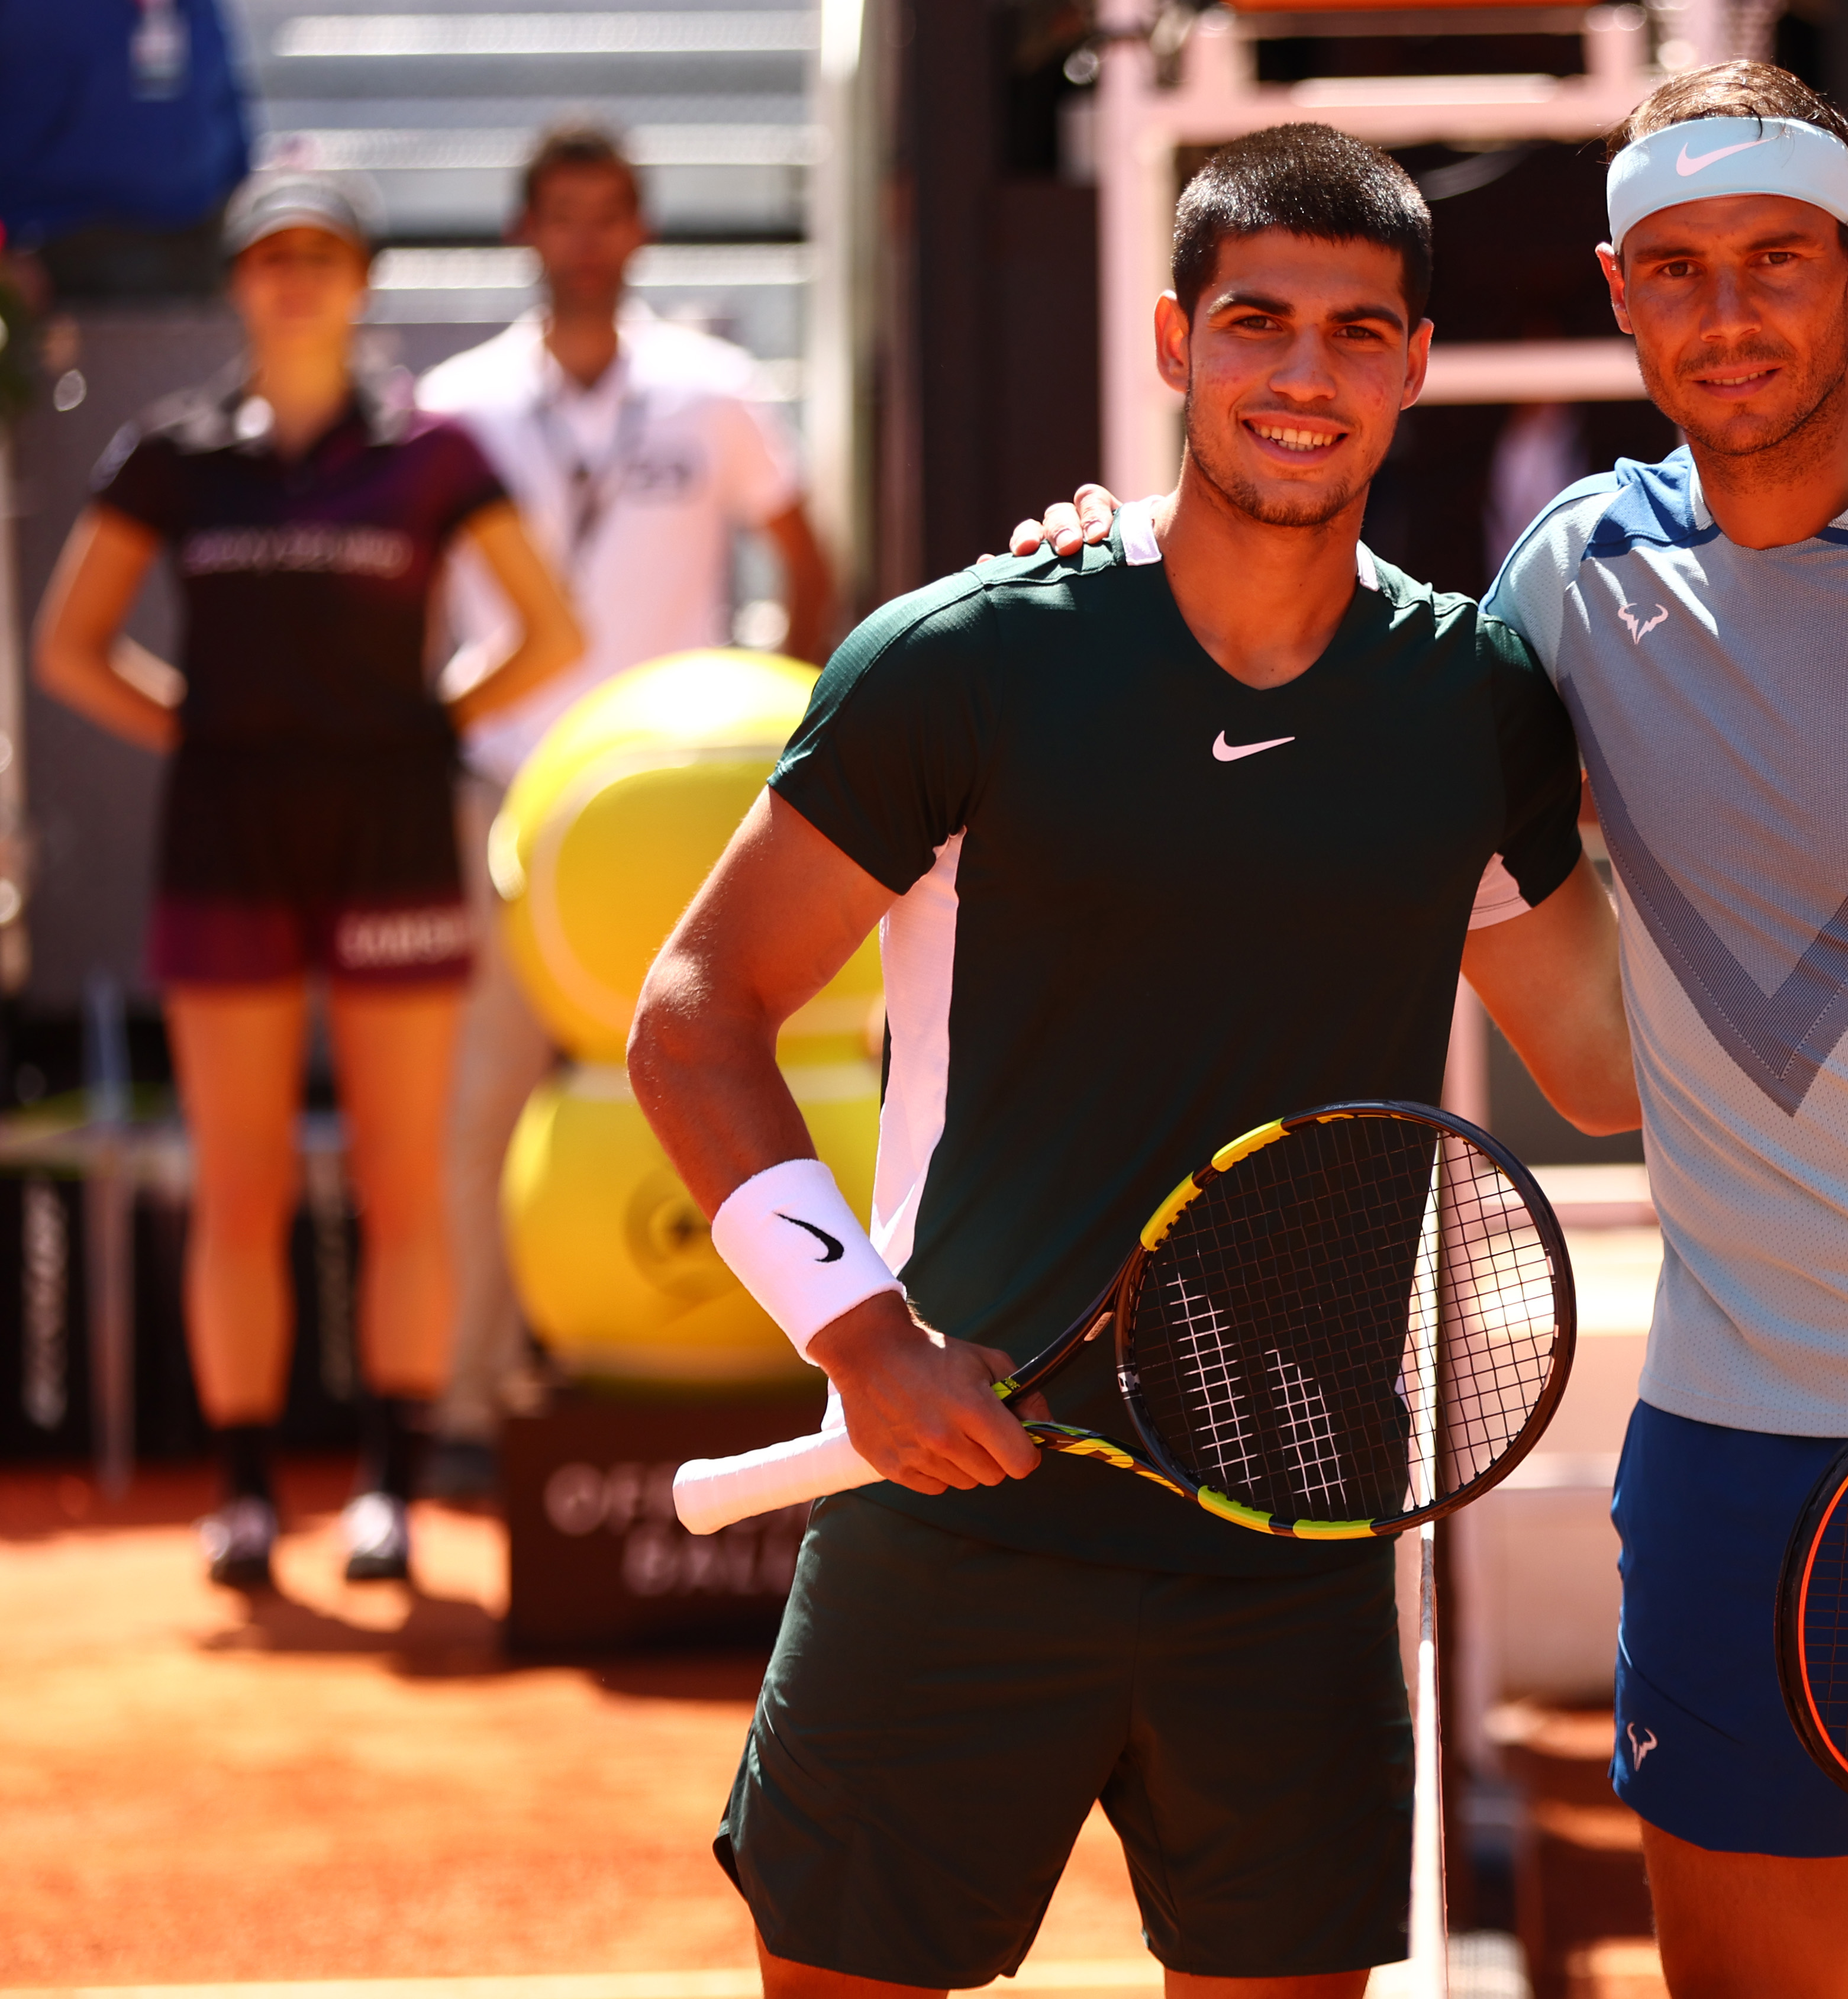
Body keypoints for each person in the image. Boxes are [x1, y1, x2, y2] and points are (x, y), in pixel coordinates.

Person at [1017, 61, 1848, 1999]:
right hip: (1741, 1444)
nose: (1726, 315)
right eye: (1674, 270)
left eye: (1772, 262)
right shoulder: (1569, 578)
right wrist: (1121, 566)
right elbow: (1351, 695)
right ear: (1614, 290)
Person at [627, 125, 1634, 1998]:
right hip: (952, 1534)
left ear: (1416, 364)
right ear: (1175, 343)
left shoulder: (1471, 706)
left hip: (1300, 1538)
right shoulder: (967, 661)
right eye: (1256, 322)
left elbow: (1605, 1070)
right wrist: (860, 1340)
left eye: (1354, 332)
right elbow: (694, 1017)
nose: (1302, 375)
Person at [30, 170, 585, 1587]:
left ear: (360, 281)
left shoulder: (432, 452)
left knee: (401, 1177)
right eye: (270, 258)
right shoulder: (173, 456)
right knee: (242, 1179)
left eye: (320, 258)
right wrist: (205, 732)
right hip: (227, 838)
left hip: (393, 830)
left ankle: (389, 1487)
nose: (295, 282)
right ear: (237, 281)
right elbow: (70, 646)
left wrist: (434, 723)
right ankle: (244, 1491)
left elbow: (548, 629)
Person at [417, 122, 834, 1492]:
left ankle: (767, 1377)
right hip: (513, 804)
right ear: (523, 234)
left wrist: (773, 722)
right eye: (562, 216)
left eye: (609, 216)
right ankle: (481, 1406)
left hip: (681, 806)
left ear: (639, 231)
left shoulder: (708, 388)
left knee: (722, 1084)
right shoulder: (456, 401)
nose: (586, 240)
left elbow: (801, 556)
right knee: (486, 1109)